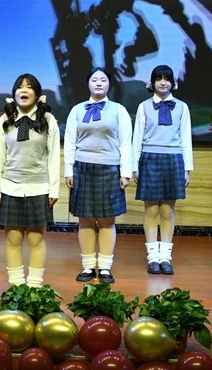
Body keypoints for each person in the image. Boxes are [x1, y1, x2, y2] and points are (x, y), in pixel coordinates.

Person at [64, 67, 133, 284]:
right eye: (94, 80)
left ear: (109, 84)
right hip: (82, 168)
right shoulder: (77, 110)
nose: (99, 83)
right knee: (85, 219)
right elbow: (69, 142)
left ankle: (104, 267)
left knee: (107, 220)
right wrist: (68, 170)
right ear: (88, 84)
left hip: (110, 168)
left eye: (103, 80)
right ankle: (87, 266)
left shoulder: (119, 110)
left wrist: (125, 172)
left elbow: (126, 143)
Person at [0, 74, 60, 287]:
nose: (24, 90)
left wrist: (54, 189)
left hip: (38, 187)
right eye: (20, 87)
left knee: (36, 239)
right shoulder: (6, 120)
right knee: (13, 239)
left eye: (29, 87)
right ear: (14, 94)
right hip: (10, 187)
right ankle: (16, 287)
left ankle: (35, 287)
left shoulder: (48, 120)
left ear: (37, 94)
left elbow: (53, 156)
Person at [132, 65, 193, 276]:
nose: (163, 82)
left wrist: (187, 168)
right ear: (152, 83)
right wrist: (135, 166)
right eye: (158, 79)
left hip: (173, 159)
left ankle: (165, 258)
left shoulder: (182, 107)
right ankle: (153, 258)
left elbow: (186, 139)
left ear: (173, 83)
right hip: (149, 158)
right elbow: (137, 138)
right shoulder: (143, 107)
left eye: (167, 79)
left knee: (167, 210)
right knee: (151, 210)